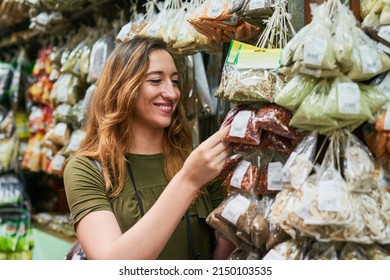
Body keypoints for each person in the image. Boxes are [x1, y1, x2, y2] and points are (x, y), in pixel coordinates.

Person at [63, 36, 235, 260]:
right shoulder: (86, 169)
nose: (172, 93)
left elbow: (222, 257)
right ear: (122, 88)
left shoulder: (197, 161)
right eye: (155, 80)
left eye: (174, 81)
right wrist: (189, 180)